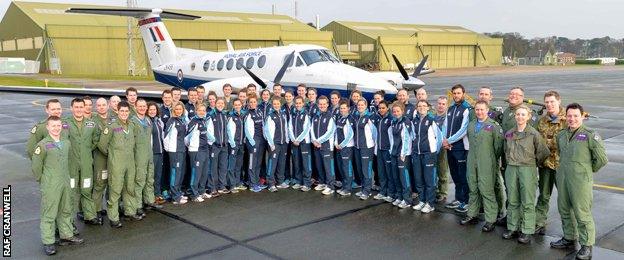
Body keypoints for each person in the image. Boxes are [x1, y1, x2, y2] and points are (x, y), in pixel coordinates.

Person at [550, 103, 607, 260]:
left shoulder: (590, 135)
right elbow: (561, 153)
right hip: (563, 177)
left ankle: (587, 244)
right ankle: (569, 237)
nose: (572, 119)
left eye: (576, 116)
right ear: (565, 116)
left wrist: (586, 170)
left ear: (582, 116)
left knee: (582, 213)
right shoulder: (561, 135)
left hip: (581, 180)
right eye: (569, 116)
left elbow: (602, 159)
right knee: (564, 209)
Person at [32, 116, 84, 255]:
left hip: (65, 181)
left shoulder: (66, 142)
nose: (56, 128)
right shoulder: (42, 145)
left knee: (65, 209)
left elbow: (69, 160)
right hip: (51, 184)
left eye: (58, 125)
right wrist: (44, 180)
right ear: (48, 127)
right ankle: (48, 241)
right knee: (49, 212)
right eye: (53, 126)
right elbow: (36, 167)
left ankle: (66, 235)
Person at [501, 104, 549, 244]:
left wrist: (532, 164)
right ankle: (512, 227)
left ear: (528, 117)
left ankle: (527, 230)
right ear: (515, 116)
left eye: (523, 114)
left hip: (527, 169)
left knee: (527, 201)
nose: (520, 117)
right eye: (518, 114)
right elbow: (505, 149)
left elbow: (543, 152)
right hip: (511, 168)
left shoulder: (534, 133)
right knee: (513, 199)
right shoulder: (509, 133)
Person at [460, 101, 503, 232]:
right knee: (473, 188)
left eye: (482, 109)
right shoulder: (471, 125)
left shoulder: (494, 126)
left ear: (487, 110)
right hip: (472, 161)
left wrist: (490, 159)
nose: (479, 112)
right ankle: (472, 214)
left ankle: (491, 219)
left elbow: (498, 147)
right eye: (477, 109)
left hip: (487, 163)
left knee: (487, 190)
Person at [98, 101, 140, 227]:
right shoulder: (111, 126)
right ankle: (114, 217)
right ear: (117, 111)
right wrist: (112, 155)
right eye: (122, 111)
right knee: (115, 190)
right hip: (117, 163)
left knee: (129, 188)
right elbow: (102, 145)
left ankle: (130, 211)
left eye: (126, 111)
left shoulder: (132, 125)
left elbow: (135, 142)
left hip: (130, 163)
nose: (124, 113)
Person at [535, 90, 567, 235]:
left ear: (559, 101)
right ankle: (539, 222)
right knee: (543, 196)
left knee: (566, 200)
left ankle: (570, 233)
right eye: (547, 102)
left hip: (562, 167)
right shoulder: (542, 121)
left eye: (552, 101)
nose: (549, 104)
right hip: (546, 165)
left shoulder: (568, 119)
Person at [66, 98, 101, 226]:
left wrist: (86, 150)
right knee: (70, 193)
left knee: (87, 189)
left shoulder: (91, 124)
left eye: (81, 107)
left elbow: (95, 139)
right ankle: (67, 222)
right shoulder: (65, 124)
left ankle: (90, 215)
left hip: (86, 163)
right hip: (71, 164)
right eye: (76, 107)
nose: (79, 109)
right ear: (71, 108)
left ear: (85, 108)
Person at [477, 86, 507, 222]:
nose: (483, 96)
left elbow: (499, 135)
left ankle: (499, 209)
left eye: (486, 94)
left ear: (491, 97)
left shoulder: (496, 113)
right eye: (481, 94)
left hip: (492, 153)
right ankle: (483, 206)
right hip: (479, 153)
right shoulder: (474, 111)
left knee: (495, 182)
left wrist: (496, 155)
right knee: (481, 182)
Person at [443, 84, 472, 213]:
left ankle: (465, 201)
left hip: (460, 148)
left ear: (463, 94)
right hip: (450, 148)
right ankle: (458, 198)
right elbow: (445, 125)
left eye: (458, 93)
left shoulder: (467, 109)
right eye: (454, 93)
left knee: (463, 176)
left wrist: (449, 140)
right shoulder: (450, 109)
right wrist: (445, 140)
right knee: (454, 175)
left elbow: (464, 130)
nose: (456, 95)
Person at [411, 100, 443, 213]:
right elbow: (412, 137)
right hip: (416, 154)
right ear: (417, 108)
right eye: (419, 106)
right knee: (419, 179)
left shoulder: (431, 120)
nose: (422, 108)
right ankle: (422, 200)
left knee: (429, 180)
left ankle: (430, 203)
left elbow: (439, 138)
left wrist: (434, 151)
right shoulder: (414, 121)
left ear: (428, 108)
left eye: (424, 106)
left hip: (429, 154)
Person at [131, 99, 160, 217]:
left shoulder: (148, 120)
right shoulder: (132, 121)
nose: (142, 108)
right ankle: (138, 205)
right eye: (140, 106)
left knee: (149, 179)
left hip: (149, 154)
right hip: (139, 156)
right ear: (136, 107)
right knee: (139, 181)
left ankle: (149, 200)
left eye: (144, 106)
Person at [92, 98, 115, 217]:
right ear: (96, 107)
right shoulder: (93, 121)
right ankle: (96, 210)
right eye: (99, 105)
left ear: (108, 106)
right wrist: (110, 153)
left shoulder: (113, 119)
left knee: (112, 183)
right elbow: (96, 141)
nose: (101, 107)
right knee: (99, 184)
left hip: (113, 158)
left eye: (103, 105)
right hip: (101, 157)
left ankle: (111, 207)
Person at [186, 103, 212, 202]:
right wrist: (193, 147)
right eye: (200, 110)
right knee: (196, 173)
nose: (202, 112)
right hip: (196, 150)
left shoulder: (204, 121)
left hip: (205, 150)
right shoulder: (194, 122)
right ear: (196, 111)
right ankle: (194, 194)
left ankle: (201, 191)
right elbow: (187, 138)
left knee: (204, 172)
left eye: (203, 110)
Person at [388, 101, 413, 207]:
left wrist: (403, 153)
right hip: (394, 153)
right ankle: (399, 196)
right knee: (396, 176)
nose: (396, 113)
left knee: (404, 177)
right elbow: (391, 138)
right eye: (394, 111)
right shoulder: (394, 122)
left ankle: (407, 200)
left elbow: (407, 138)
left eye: (398, 111)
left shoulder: (406, 122)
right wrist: (391, 150)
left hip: (403, 154)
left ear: (402, 111)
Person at [163, 101, 188, 205]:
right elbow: (165, 137)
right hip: (174, 151)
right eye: (176, 109)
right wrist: (170, 150)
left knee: (180, 172)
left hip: (182, 150)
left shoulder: (182, 120)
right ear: (173, 110)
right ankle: (175, 197)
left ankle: (177, 191)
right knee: (175, 173)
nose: (178, 111)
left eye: (180, 109)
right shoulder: (171, 121)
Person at [311, 96, 336, 195]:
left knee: (328, 167)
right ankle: (322, 183)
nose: (322, 106)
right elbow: (311, 129)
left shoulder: (330, 116)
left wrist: (319, 141)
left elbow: (330, 132)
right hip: (316, 146)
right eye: (320, 104)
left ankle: (330, 186)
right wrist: (314, 140)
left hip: (326, 146)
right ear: (318, 105)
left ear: (327, 104)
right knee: (319, 166)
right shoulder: (315, 116)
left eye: (324, 104)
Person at [264, 97, 290, 192]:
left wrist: (286, 139)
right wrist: (271, 143)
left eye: (278, 104)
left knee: (282, 163)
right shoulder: (270, 116)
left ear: (280, 104)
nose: (276, 105)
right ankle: (270, 183)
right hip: (275, 143)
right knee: (272, 163)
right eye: (274, 104)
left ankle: (280, 181)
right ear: (272, 105)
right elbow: (267, 131)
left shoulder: (283, 114)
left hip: (283, 143)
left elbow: (286, 128)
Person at [371, 101, 395, 203]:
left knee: (389, 173)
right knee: (381, 173)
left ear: (387, 108)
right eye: (379, 108)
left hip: (387, 150)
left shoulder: (390, 119)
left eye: (383, 108)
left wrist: (391, 150)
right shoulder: (378, 119)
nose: (381, 110)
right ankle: (382, 191)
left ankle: (391, 193)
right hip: (379, 150)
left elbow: (392, 137)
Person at [353, 99, 377, 199]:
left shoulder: (369, 117)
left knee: (366, 170)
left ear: (366, 106)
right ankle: (363, 188)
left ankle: (367, 191)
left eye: (362, 105)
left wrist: (374, 146)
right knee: (359, 169)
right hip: (357, 147)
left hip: (367, 147)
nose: (360, 106)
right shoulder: (356, 116)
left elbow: (375, 133)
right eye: (358, 105)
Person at [289, 96, 313, 192]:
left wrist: (298, 140)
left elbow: (307, 129)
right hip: (294, 142)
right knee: (297, 162)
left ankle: (307, 183)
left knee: (306, 163)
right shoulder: (293, 113)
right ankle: (298, 181)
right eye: (297, 103)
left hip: (304, 143)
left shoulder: (306, 114)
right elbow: (289, 127)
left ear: (303, 103)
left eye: (300, 103)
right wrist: (293, 139)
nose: (298, 105)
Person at [244, 94, 267, 192]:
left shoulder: (259, 112)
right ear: (248, 103)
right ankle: (252, 184)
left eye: (254, 101)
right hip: (253, 141)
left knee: (258, 163)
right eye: (251, 102)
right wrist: (252, 142)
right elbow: (247, 130)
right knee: (252, 163)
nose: (253, 103)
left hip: (261, 140)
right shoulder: (248, 114)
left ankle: (257, 182)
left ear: (257, 102)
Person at [208, 98, 230, 194]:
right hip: (215, 146)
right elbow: (208, 131)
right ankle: (212, 187)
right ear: (215, 103)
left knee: (223, 166)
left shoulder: (224, 115)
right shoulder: (211, 115)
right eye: (218, 103)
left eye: (222, 103)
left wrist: (226, 141)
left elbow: (227, 130)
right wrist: (214, 141)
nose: (220, 105)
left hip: (224, 146)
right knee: (213, 167)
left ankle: (222, 186)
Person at [147, 102, 166, 205]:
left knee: (158, 175)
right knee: (151, 176)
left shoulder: (158, 121)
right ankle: (150, 197)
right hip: (152, 152)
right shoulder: (147, 122)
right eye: (150, 110)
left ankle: (157, 194)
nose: (152, 111)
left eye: (154, 110)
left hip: (160, 152)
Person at [334, 100, 355, 196]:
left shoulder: (349, 119)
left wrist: (342, 145)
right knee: (341, 167)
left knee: (347, 168)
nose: (342, 110)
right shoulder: (340, 118)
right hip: (339, 147)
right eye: (341, 108)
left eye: (344, 108)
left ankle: (348, 188)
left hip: (347, 147)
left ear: (348, 109)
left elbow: (350, 134)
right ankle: (344, 185)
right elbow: (336, 133)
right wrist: (336, 143)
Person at [227, 99, 247, 192]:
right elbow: (229, 131)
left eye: (239, 104)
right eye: (236, 105)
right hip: (234, 144)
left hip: (241, 144)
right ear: (233, 106)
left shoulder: (243, 115)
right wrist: (232, 143)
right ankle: (231, 185)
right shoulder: (231, 116)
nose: (238, 106)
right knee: (232, 165)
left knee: (239, 165)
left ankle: (238, 183)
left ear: (241, 105)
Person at [434, 96, 450, 204]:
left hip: (443, 147)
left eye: (443, 104)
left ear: (446, 105)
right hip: (433, 147)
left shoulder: (447, 118)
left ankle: (443, 192)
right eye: (439, 103)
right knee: (433, 170)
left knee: (442, 170)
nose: (441, 105)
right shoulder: (432, 117)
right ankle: (435, 190)